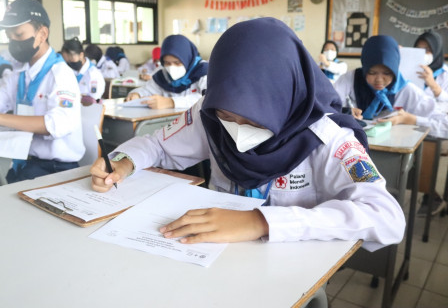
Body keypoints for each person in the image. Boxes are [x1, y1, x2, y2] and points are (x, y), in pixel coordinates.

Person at [91, 18, 405, 251]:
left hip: (283, 265)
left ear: (282, 99)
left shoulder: (326, 137)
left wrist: (261, 222)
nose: (237, 132)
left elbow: (387, 218)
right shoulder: (212, 111)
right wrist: (123, 161)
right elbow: (158, 145)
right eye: (228, 117)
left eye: (255, 120)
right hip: (206, 256)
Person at [0, 0, 84, 183]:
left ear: (42, 34)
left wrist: (2, 118)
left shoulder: (61, 74)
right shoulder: (18, 72)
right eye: (9, 36)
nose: (13, 41)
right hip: (23, 163)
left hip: (55, 170)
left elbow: (58, 125)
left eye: (19, 34)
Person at [334, 35, 448, 139]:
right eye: (372, 72)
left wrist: (410, 119)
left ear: (395, 70)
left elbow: (445, 126)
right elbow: (324, 105)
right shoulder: (351, 79)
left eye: (387, 73)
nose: (379, 79)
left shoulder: (406, 89)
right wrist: (344, 111)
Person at [126, 35, 208, 109]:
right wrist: (136, 94)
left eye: (177, 62)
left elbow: (209, 98)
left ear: (187, 59)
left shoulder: (205, 71)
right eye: (167, 63)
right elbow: (147, 90)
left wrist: (171, 102)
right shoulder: (163, 74)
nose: (172, 67)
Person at [61, 38, 105, 104]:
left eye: (71, 59)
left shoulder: (93, 74)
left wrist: (76, 97)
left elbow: (94, 100)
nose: (69, 62)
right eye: (66, 60)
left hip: (88, 111)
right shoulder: (68, 71)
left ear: (81, 55)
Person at [414, 31, 448, 102]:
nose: (422, 53)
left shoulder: (445, 73)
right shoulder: (410, 67)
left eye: (427, 49)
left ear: (436, 50)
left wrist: (432, 84)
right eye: (418, 48)